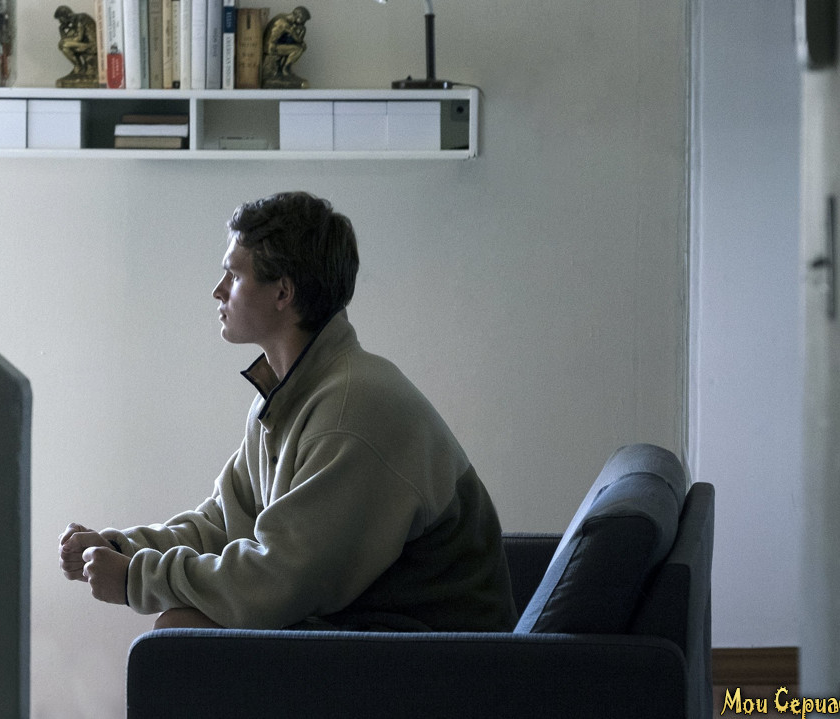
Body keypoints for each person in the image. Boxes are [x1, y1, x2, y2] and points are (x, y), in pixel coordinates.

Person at [59, 192, 516, 632]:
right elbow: (224, 523)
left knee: (183, 634)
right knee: (183, 630)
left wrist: (135, 579)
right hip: (371, 627)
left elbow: (277, 582)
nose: (217, 291)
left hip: (439, 655)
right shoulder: (287, 396)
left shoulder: (351, 411)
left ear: (282, 292)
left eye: (233, 276)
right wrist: (122, 547)